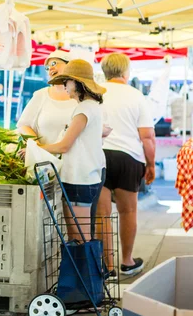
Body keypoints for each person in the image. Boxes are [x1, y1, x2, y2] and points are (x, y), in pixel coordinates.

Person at [96, 53, 156, 277]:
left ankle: (108, 266)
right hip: (129, 158)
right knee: (128, 211)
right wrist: (151, 165)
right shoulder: (136, 96)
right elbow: (147, 136)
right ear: (125, 72)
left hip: (99, 155)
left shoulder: (95, 93)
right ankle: (127, 261)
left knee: (102, 214)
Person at [39, 59, 107, 242]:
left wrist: (37, 149)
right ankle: (84, 270)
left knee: (80, 238)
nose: (64, 86)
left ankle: (88, 271)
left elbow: (64, 145)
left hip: (80, 179)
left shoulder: (84, 109)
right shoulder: (90, 107)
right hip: (84, 177)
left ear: (77, 83)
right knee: (78, 237)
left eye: (66, 81)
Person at [17, 50, 75, 143]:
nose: (50, 68)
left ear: (69, 66)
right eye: (47, 68)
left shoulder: (82, 98)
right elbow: (23, 125)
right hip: (42, 156)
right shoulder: (41, 95)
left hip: (73, 156)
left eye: (54, 63)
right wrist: (37, 145)